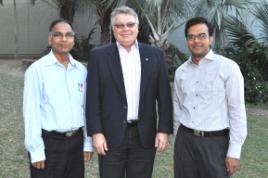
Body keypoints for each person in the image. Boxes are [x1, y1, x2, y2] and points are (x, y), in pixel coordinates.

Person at [85, 6, 173, 178]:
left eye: (130, 24)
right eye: (119, 25)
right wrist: (96, 133)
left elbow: (164, 97)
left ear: (137, 28)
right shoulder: (99, 56)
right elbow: (92, 99)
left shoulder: (155, 55)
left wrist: (163, 130)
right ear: (113, 29)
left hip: (144, 135)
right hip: (110, 135)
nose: (125, 29)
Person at [173, 16, 247, 178]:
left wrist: (234, 151)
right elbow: (178, 107)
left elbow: (237, 112)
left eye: (201, 36)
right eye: (191, 37)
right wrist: (178, 142)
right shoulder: (181, 72)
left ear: (211, 38)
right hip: (185, 141)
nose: (196, 41)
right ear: (187, 40)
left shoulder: (228, 68)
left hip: (216, 143)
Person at [23, 19, 93, 178]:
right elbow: (31, 112)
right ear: (50, 39)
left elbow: (86, 108)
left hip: (76, 143)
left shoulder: (81, 70)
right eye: (58, 35)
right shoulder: (37, 71)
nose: (64, 39)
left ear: (73, 39)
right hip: (49, 144)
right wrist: (36, 151)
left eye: (68, 35)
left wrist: (87, 142)